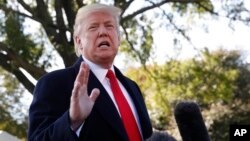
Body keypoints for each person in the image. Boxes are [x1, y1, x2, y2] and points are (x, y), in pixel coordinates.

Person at [28, 3, 152, 141]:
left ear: (118, 39)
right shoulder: (54, 83)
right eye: (93, 27)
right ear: (79, 41)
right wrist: (72, 120)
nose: (103, 32)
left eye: (109, 26)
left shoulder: (133, 87)